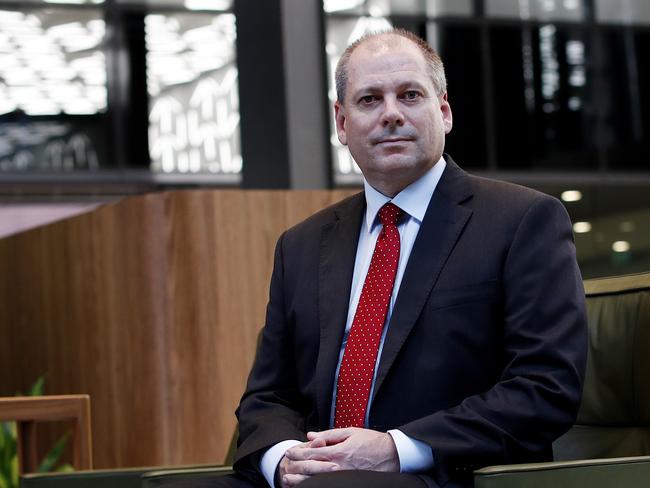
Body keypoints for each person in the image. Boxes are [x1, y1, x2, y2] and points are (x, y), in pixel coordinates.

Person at [208, 29, 587, 488]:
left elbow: (545, 388)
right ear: (342, 123)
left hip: (445, 474)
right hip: (316, 478)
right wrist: (284, 459)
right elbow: (267, 395)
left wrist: (395, 448)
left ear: (443, 111)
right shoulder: (301, 245)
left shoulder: (523, 221)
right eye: (369, 100)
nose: (391, 114)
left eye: (410, 95)